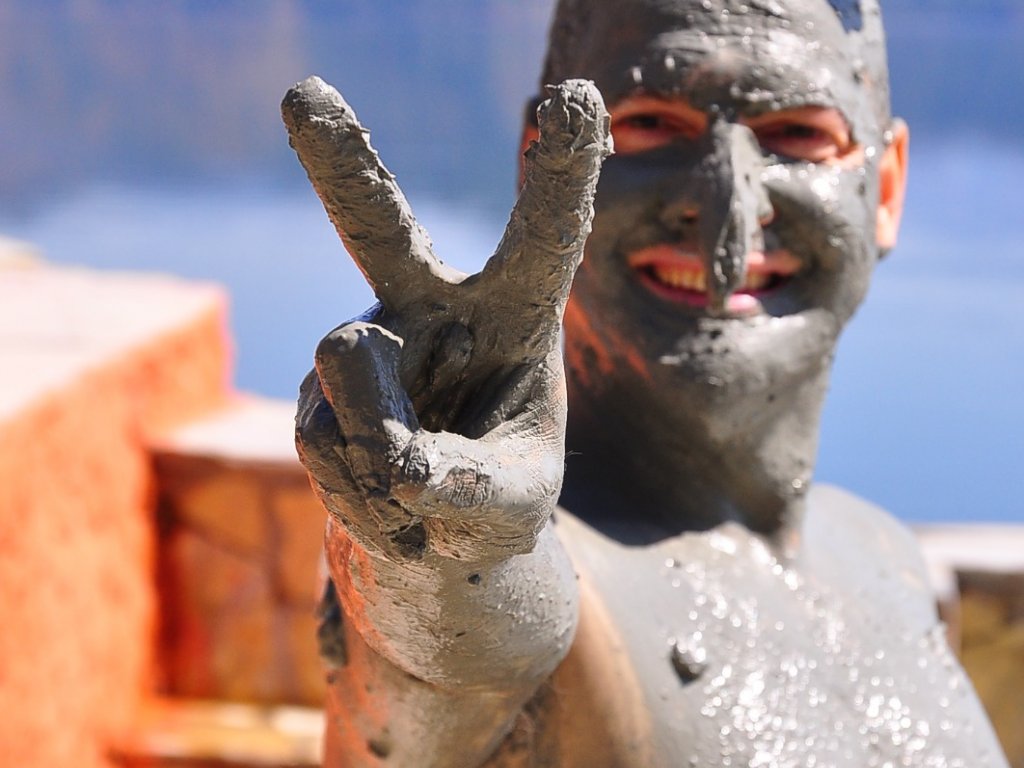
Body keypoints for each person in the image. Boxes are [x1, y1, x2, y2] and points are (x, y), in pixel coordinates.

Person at [282, 1, 1010, 766]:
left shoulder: (893, 562)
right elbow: (441, 676)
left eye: (799, 134)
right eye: (653, 126)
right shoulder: (552, 589)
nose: (726, 204)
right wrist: (454, 557)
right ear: (544, 161)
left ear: (885, 189)